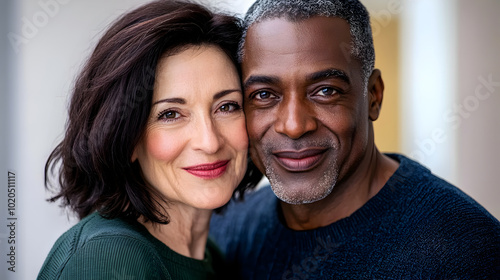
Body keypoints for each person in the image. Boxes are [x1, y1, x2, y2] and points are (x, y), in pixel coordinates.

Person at [209, 0, 500, 279]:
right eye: (264, 95)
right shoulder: (225, 233)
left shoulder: (466, 250)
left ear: (373, 96)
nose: (294, 126)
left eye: (325, 91)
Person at [37, 1, 262, 279]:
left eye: (227, 106)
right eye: (170, 114)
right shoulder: (109, 257)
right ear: (126, 137)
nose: (210, 141)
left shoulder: (211, 257)